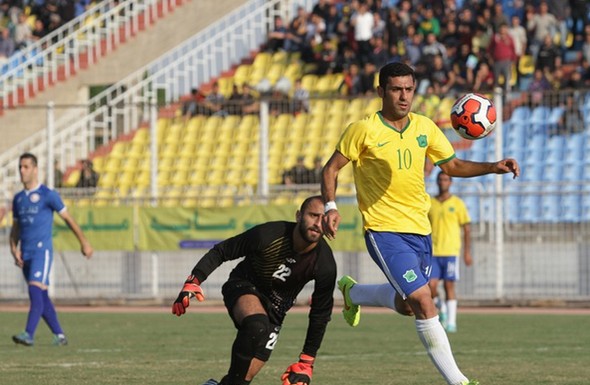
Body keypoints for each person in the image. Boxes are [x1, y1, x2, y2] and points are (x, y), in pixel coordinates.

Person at [321, 62, 520, 385]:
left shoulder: (425, 127)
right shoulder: (364, 129)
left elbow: (452, 165)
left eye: (409, 89)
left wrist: (493, 166)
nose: (404, 96)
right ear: (381, 91)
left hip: (420, 230)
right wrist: (330, 206)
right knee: (424, 300)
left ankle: (354, 293)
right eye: (396, 89)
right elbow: (330, 169)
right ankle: (459, 381)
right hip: (383, 230)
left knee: (408, 305)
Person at [171, 195, 336, 385]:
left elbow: (320, 313)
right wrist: (194, 280)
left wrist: (307, 361)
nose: (317, 223)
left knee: (241, 379)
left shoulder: (325, 264)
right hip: (244, 285)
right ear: (299, 216)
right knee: (256, 324)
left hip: (276, 310)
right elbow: (222, 251)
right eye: (313, 215)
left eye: (323, 218)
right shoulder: (269, 234)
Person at [10, 153, 93, 346]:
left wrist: (84, 242)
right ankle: (60, 335)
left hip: (42, 251)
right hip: (26, 253)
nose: (22, 171)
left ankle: (28, 334)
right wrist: (14, 249)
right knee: (41, 295)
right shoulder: (18, 199)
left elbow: (69, 219)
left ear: (35, 169)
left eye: (26, 167)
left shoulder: (48, 195)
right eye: (20, 167)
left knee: (34, 290)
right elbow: (15, 228)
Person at [428, 171, 472, 333]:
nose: (442, 182)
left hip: (451, 251)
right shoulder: (430, 203)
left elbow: (467, 229)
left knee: (449, 285)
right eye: (440, 180)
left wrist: (467, 252)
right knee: (431, 286)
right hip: (433, 251)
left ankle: (452, 322)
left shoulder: (458, 203)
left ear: (450, 182)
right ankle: (443, 309)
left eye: (446, 179)